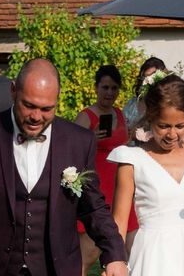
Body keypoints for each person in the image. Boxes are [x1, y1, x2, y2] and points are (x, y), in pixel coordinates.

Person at [0, 58, 128, 276]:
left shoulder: (78, 141)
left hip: (56, 268)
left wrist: (114, 254)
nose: (36, 117)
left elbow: (93, 206)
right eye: (28, 105)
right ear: (13, 91)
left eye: (46, 109)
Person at [109, 74, 184, 276]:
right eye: (164, 126)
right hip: (152, 258)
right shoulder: (132, 159)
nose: (172, 134)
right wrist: (114, 262)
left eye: (180, 126)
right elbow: (119, 223)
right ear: (150, 118)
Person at [74, 65, 138, 275]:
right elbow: (72, 151)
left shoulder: (120, 114)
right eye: (105, 87)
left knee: (131, 249)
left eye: (114, 88)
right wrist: (90, 139)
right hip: (98, 188)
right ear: (96, 88)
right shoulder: (86, 116)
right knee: (88, 254)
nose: (110, 92)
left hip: (122, 187)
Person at [122, 57, 166, 130]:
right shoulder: (132, 104)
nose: (148, 81)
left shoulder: (165, 104)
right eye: (145, 77)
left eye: (153, 77)